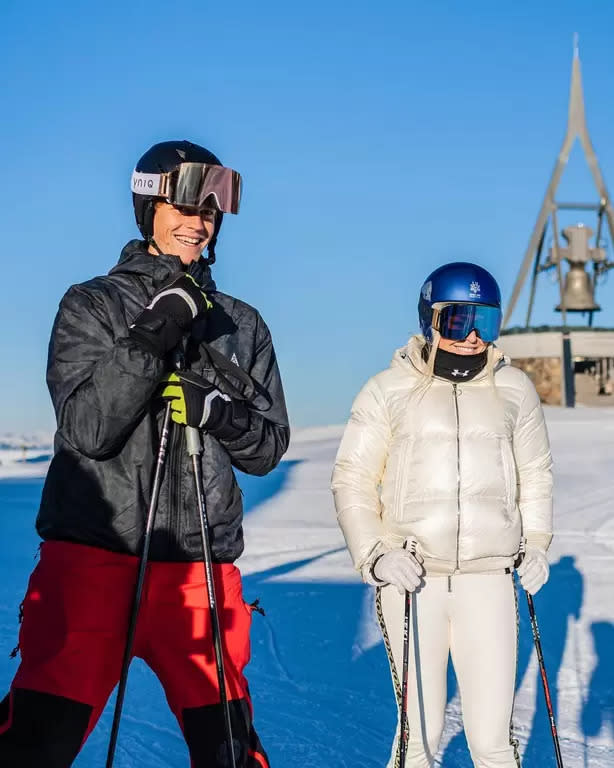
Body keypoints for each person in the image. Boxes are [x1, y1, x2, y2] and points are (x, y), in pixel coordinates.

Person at [0, 140, 289, 767]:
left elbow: (268, 448)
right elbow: (87, 429)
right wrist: (156, 332)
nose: (199, 222)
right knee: (33, 749)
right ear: (148, 206)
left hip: (199, 573)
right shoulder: (92, 305)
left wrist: (222, 414)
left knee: (232, 756)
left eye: (212, 211)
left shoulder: (241, 324)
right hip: (92, 568)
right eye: (185, 204)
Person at [331, 262, 553, 768]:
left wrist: (536, 541)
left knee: (493, 741)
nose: (474, 336)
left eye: (486, 322)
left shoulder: (514, 390)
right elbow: (353, 480)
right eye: (458, 321)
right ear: (430, 321)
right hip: (412, 581)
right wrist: (376, 554)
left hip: (489, 581)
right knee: (419, 740)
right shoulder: (388, 390)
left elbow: (536, 474)